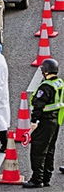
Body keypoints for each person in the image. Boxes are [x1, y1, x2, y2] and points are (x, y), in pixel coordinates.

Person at [23, 58, 63, 188]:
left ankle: (37, 179)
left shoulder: (46, 86)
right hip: (55, 121)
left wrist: (34, 121)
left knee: (38, 151)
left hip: (45, 122)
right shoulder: (59, 83)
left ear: (45, 71)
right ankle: (46, 178)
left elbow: (39, 105)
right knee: (50, 150)